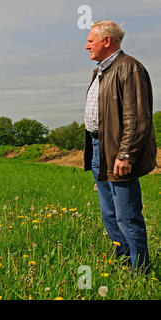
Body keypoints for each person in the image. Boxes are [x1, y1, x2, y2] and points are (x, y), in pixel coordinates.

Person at [83, 21, 157, 272]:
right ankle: (123, 262)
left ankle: (141, 271)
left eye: (91, 41)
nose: (86, 46)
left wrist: (125, 153)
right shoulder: (101, 70)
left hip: (118, 152)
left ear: (107, 41)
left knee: (127, 215)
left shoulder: (129, 68)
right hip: (98, 149)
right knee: (110, 214)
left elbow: (137, 118)